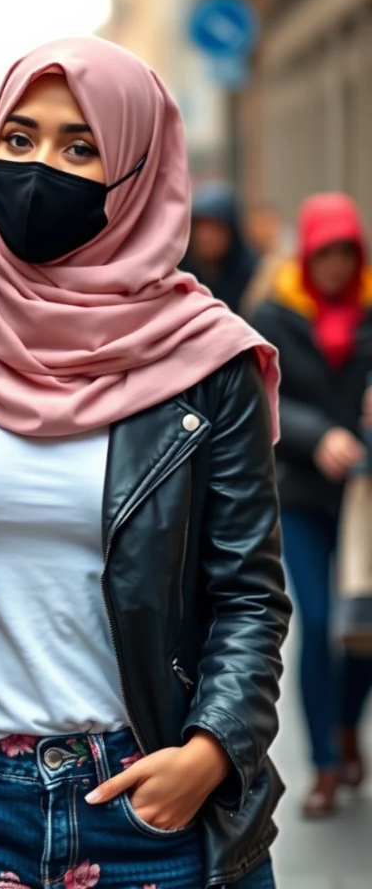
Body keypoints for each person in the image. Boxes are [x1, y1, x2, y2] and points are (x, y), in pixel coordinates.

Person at [0, 38, 289, 889]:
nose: (41, 166)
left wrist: (208, 752)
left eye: (80, 147)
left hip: (148, 803)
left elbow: (248, 594)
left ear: (136, 170)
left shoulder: (208, 362)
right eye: (19, 139)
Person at [251, 192, 372, 818]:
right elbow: (260, 394)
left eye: (345, 254)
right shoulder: (277, 312)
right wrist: (316, 434)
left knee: (362, 628)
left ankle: (349, 728)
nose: (334, 266)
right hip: (299, 492)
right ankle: (325, 762)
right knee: (319, 621)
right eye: (324, 253)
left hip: (363, 500)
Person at [181, 180, 258, 315]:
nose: (206, 237)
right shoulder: (177, 271)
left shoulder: (253, 274)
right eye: (201, 228)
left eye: (216, 229)